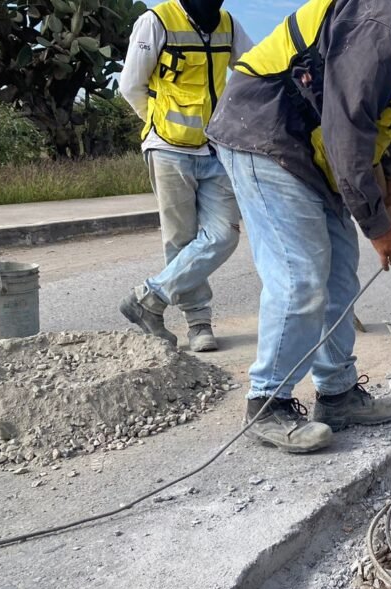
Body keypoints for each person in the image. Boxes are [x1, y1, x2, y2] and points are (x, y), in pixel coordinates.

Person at [206, 0, 391, 453]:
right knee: (301, 275)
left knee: (341, 272)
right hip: (266, 137)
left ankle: (337, 394)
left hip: (307, 152)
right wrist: (378, 226)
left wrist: (389, 177)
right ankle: (268, 401)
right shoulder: (387, 23)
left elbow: (375, 119)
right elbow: (346, 125)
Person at [119, 0, 253, 352]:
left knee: (224, 234)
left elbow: (253, 67)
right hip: (167, 148)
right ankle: (198, 325)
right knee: (180, 238)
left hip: (214, 148)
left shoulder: (228, 25)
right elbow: (130, 84)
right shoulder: (157, 21)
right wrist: (157, 124)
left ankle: (149, 298)